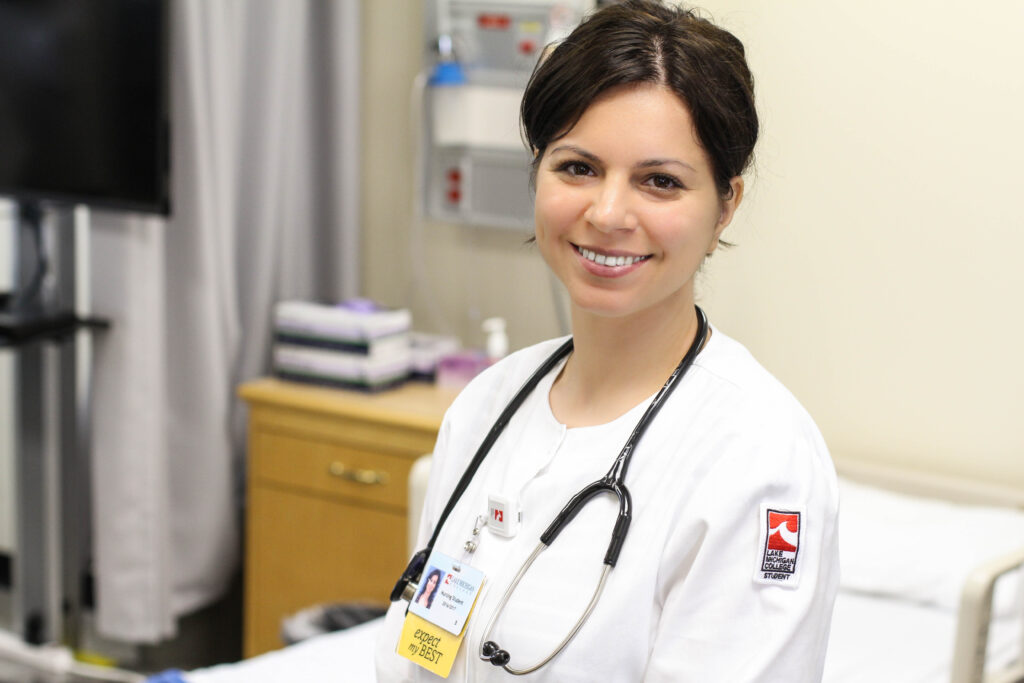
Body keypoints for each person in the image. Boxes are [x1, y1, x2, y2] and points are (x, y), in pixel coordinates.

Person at [376, 1, 839, 680]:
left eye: (660, 181)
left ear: (725, 203)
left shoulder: (758, 459)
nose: (608, 213)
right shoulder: (486, 408)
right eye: (577, 167)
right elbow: (421, 651)